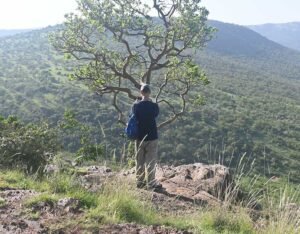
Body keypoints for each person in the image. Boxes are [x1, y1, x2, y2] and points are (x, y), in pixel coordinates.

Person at [133, 83, 162, 190]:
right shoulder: (154, 106)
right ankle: (151, 183)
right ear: (149, 93)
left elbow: (134, 117)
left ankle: (139, 182)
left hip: (139, 137)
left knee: (139, 160)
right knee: (151, 160)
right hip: (152, 136)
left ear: (141, 92)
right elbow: (155, 115)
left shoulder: (136, 106)